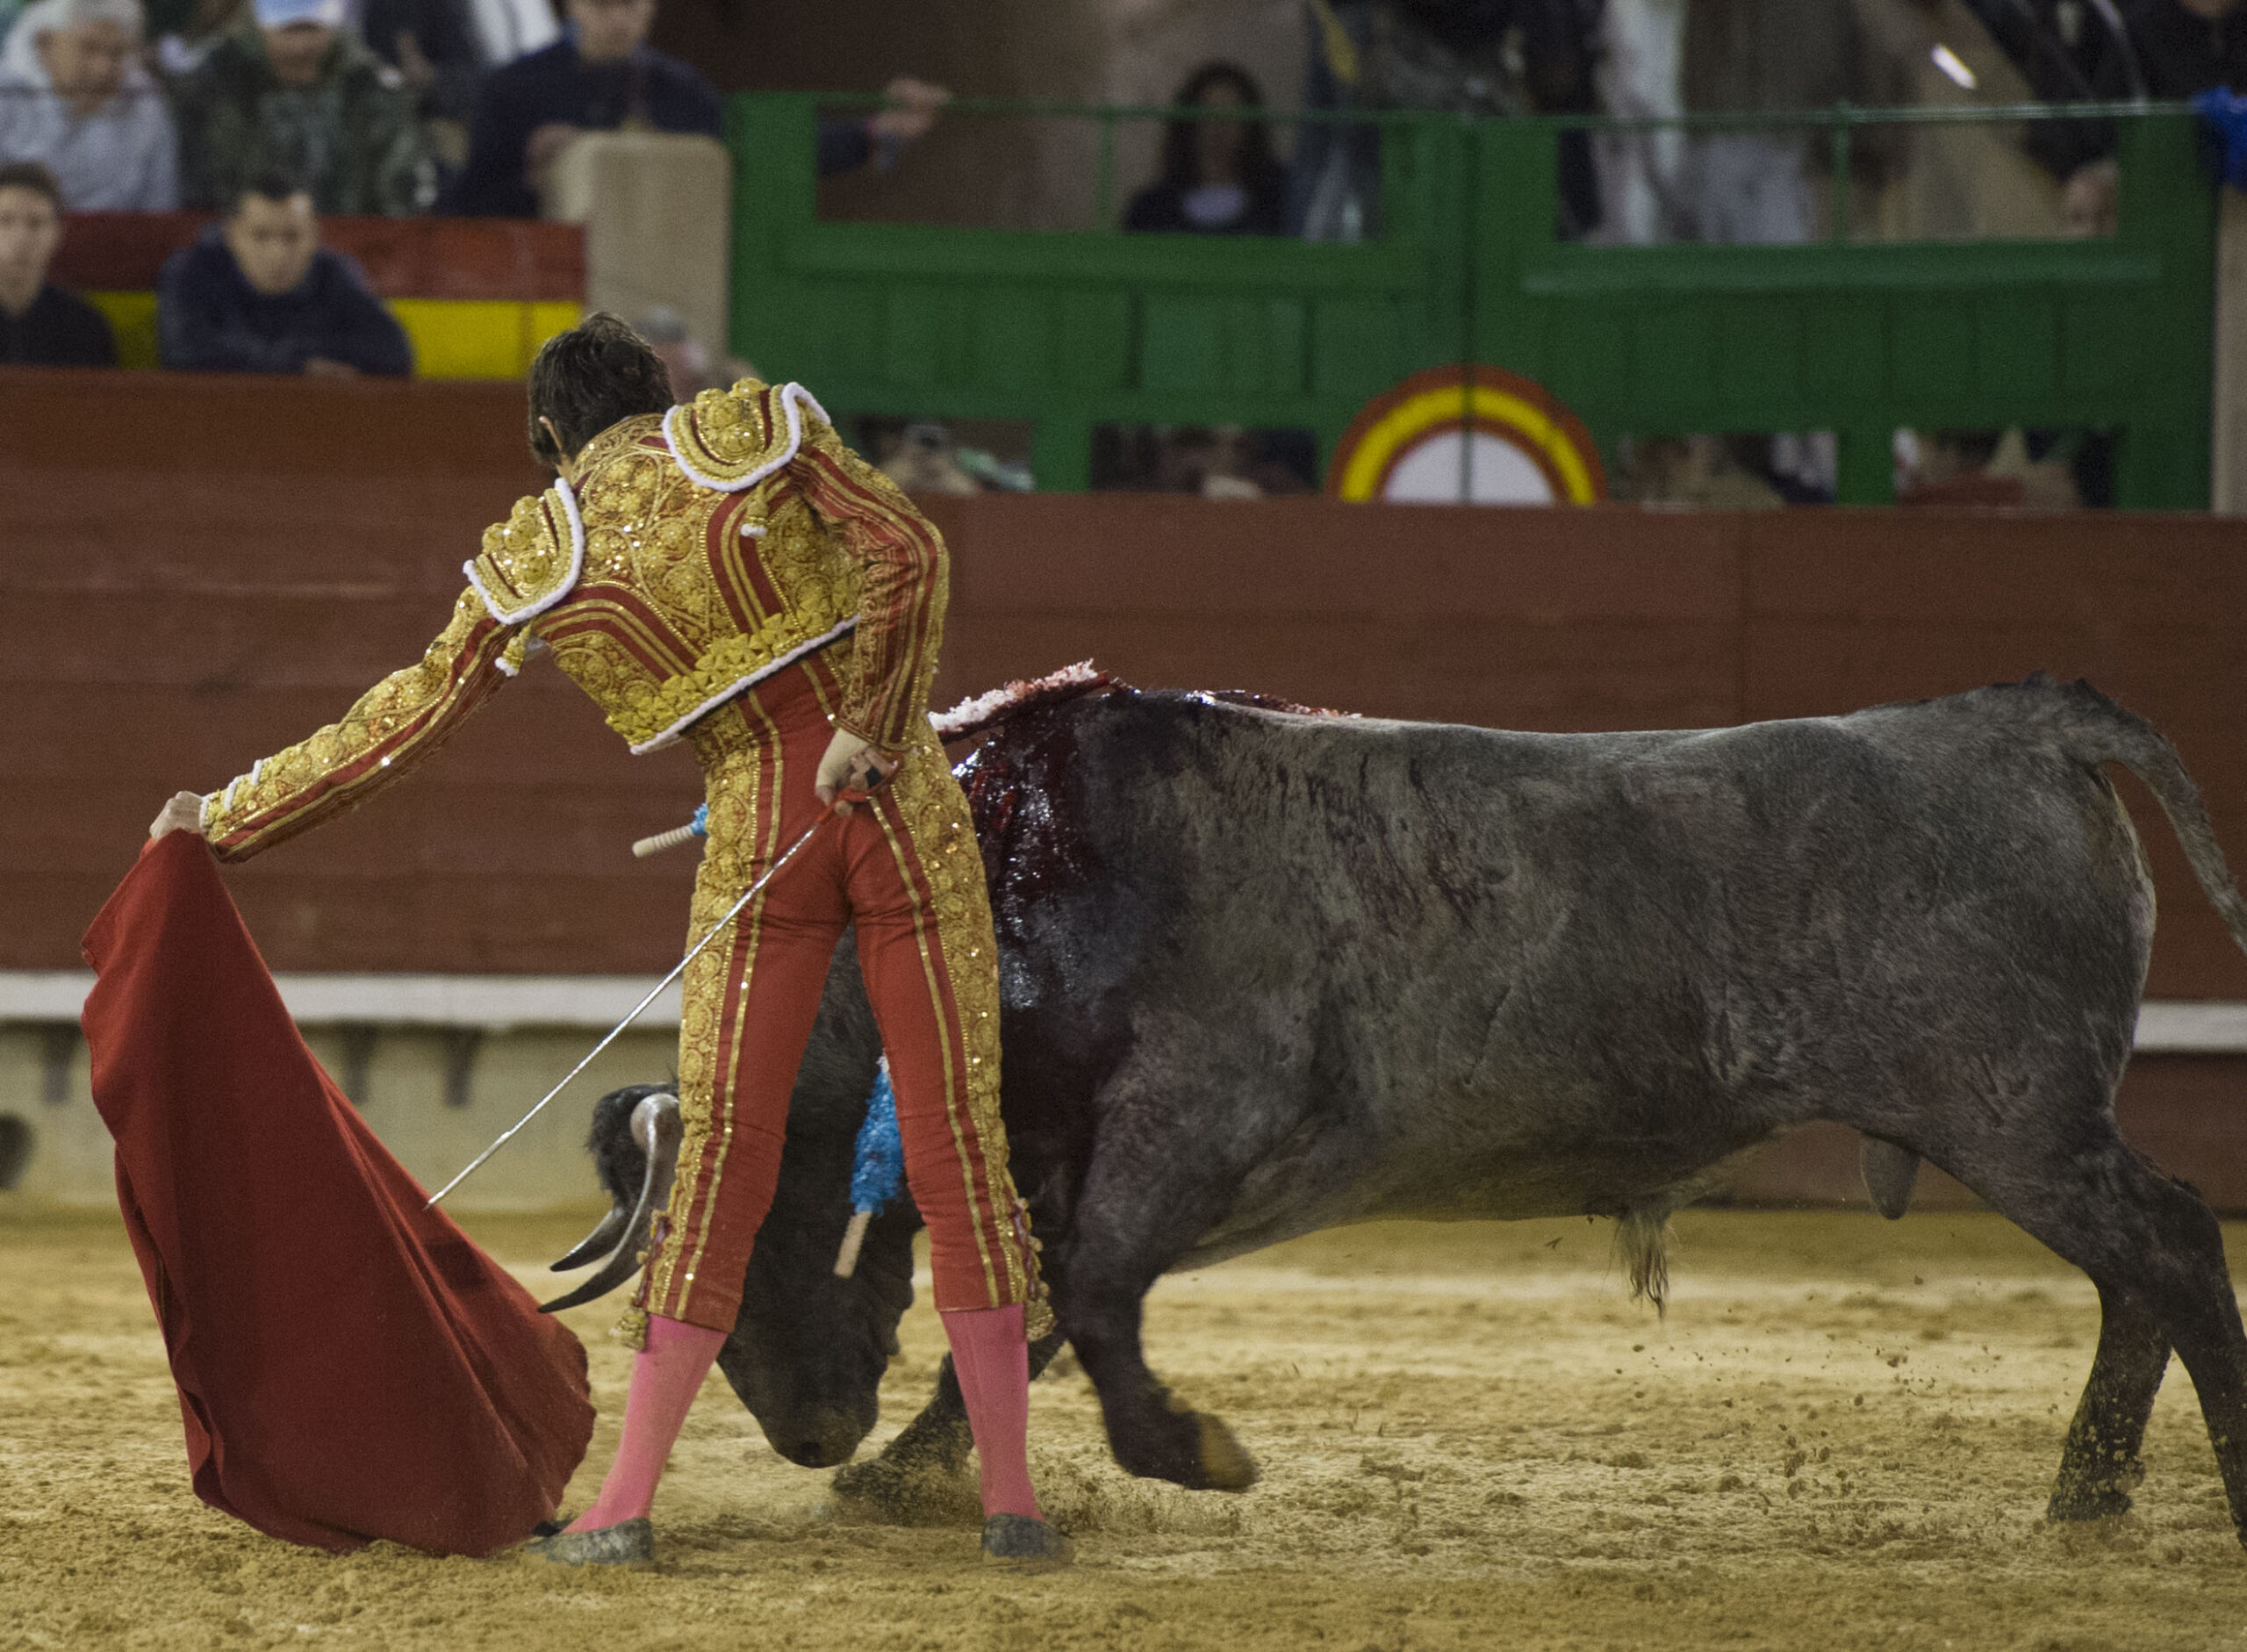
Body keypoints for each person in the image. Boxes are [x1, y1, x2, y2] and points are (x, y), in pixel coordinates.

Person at [145, 312, 1066, 1571]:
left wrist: (225, 819)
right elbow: (910, 551)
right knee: (959, 1139)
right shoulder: (751, 430)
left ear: (546, 440)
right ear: (660, 391)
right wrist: (876, 717)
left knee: (722, 1165)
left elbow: (401, 721)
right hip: (897, 803)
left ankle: (625, 1503)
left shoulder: (544, 553)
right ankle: (1011, 1505)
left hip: (757, 825)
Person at [443, 0, 948, 217]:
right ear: (570, 5)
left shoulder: (678, 88)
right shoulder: (514, 89)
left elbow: (765, 157)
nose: (619, 20)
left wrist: (878, 131)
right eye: (602, 5)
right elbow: (469, 205)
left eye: (632, 6)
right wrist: (537, 174)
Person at [170, 0, 431, 214]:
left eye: (311, 29)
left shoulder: (373, 92)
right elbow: (195, 197)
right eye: (287, 29)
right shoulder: (210, 87)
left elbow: (403, 202)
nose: (300, 46)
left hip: (356, 256)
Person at [157, 171, 412, 374]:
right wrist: (298, 366)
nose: (277, 254)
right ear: (232, 235)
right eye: (261, 236)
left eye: (292, 237)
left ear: (314, 236)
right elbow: (184, 353)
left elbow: (393, 352)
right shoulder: (192, 271)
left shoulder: (333, 274)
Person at [0, 0, 178, 208]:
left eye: (117, 53)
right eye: (89, 49)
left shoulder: (144, 102)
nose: (103, 69)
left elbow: (161, 210)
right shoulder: (6, 95)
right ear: (44, 43)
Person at [1124, 61, 1289, 236]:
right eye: (1207, 112)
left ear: (1250, 126)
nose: (1219, 126)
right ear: (1187, 124)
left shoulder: (1281, 200)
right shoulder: (1151, 210)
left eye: (1231, 114)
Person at [0, 159, 112, 363]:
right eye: (5, 221)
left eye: (36, 223)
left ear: (59, 232)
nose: (20, 238)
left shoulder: (83, 325)